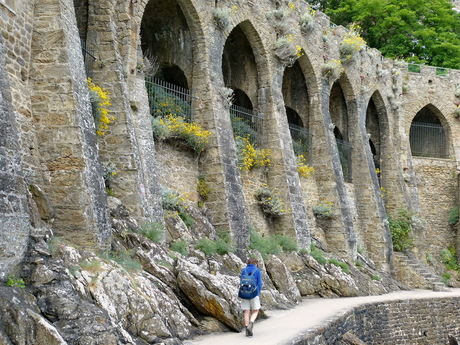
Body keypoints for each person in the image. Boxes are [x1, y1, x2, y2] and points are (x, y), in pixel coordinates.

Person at [240, 257, 263, 337]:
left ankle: (247, 330)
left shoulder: (243, 270)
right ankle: (251, 324)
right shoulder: (257, 271)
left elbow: (241, 281)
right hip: (254, 293)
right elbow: (259, 283)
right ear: (255, 264)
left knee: (246, 311)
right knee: (256, 310)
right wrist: (258, 292)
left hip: (244, 292)